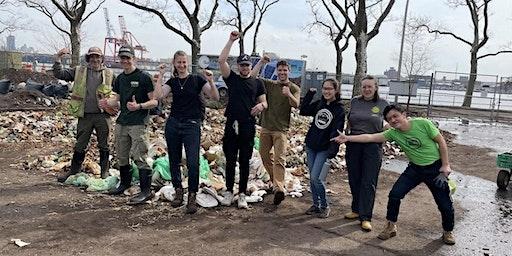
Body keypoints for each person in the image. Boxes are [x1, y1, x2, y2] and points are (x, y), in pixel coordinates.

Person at [331, 104, 456, 245]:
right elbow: (370, 137)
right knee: (395, 194)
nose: (393, 120)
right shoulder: (393, 133)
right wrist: (348, 138)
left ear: (404, 114)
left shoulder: (423, 123)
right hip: (414, 169)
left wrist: (445, 165)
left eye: (396, 116)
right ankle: (391, 226)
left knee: (444, 204)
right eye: (389, 119)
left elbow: (441, 141)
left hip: (435, 169)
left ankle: (448, 231)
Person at [154, 50, 219, 214]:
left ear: (188, 63)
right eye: (178, 62)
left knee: (192, 161)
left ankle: (192, 194)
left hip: (192, 124)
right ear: (174, 64)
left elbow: (215, 96)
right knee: (174, 160)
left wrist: (211, 81)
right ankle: (178, 191)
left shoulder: (197, 80)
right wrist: (160, 76)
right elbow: (159, 96)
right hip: (174, 123)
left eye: (184, 62)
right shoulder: (173, 82)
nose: (182, 65)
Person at [99, 45, 158, 205]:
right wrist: (106, 103)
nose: (125, 60)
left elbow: (154, 101)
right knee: (122, 156)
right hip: (122, 122)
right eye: (122, 58)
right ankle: (124, 184)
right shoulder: (120, 78)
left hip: (138, 122)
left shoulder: (144, 77)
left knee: (140, 156)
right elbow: (116, 99)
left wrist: (139, 106)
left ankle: (146, 191)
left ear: (134, 58)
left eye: (128, 58)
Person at [218, 31, 267, 209]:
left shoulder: (257, 83)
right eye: (242, 65)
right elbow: (221, 61)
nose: (245, 68)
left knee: (245, 161)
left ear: (250, 66)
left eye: (247, 65)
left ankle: (242, 194)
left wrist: (261, 107)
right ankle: (229, 191)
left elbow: (265, 102)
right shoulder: (232, 79)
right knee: (230, 159)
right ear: (238, 66)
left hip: (248, 125)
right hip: (232, 123)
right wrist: (231, 41)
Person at [53, 47, 116, 182]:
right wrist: (58, 58)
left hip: (103, 116)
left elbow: (120, 90)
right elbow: (60, 74)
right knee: (80, 144)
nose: (95, 59)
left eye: (97, 57)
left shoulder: (110, 74)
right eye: (92, 57)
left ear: (101, 59)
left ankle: (104, 173)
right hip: (85, 115)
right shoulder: (79, 71)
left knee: (104, 145)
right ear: (88, 58)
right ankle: (74, 171)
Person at [251, 56, 300, 207]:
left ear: (289, 71)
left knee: (279, 159)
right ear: (277, 71)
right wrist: (261, 62)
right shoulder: (270, 85)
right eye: (280, 70)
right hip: (266, 128)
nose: (282, 72)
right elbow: (253, 78)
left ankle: (279, 188)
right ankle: (276, 183)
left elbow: (296, 104)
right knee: (264, 157)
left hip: (281, 130)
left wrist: (288, 94)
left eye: (285, 70)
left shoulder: (293, 88)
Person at [344, 75, 389, 231]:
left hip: (372, 146)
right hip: (353, 144)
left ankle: (366, 217)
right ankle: (356, 209)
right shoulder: (355, 101)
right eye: (364, 86)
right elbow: (349, 120)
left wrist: (388, 128)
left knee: (368, 182)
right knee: (354, 178)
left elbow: (390, 122)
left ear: (376, 87)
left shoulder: (383, 104)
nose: (366, 89)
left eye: (370, 86)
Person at [300, 79, 345, 218]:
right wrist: (309, 95)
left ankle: (325, 205)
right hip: (311, 145)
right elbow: (303, 111)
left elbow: (337, 131)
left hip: (324, 148)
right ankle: (316, 205)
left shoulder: (339, 109)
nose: (326, 91)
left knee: (316, 178)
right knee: (312, 178)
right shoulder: (320, 104)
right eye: (324, 88)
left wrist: (333, 150)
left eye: (330, 89)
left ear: (336, 91)